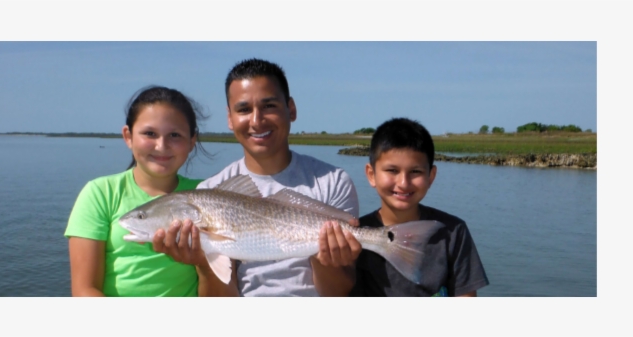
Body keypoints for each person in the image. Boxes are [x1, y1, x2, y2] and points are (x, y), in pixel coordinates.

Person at [151, 58, 363, 297]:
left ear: (290, 109)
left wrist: (328, 257)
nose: (256, 120)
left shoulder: (333, 181)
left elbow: (339, 292)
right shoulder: (210, 190)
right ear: (230, 118)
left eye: (269, 106)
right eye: (243, 110)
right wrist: (203, 263)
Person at [64, 85, 210, 296]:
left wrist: (203, 264)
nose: (161, 145)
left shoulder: (207, 193)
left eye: (175, 135)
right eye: (150, 133)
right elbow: (84, 290)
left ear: (192, 141)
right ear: (128, 136)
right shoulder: (100, 193)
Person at [349, 117, 489, 297]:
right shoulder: (353, 236)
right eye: (392, 170)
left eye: (415, 172)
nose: (403, 183)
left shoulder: (453, 231)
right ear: (371, 174)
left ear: (431, 176)